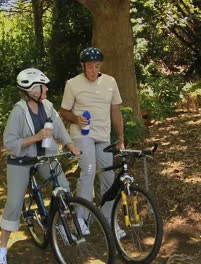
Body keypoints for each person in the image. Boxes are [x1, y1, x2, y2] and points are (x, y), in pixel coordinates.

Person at [0, 68, 81, 264]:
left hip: (45, 157)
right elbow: (9, 143)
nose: (47, 88)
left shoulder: (48, 106)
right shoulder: (18, 111)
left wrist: (70, 145)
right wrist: (35, 137)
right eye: (43, 86)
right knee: (14, 203)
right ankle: (2, 249)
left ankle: (56, 223)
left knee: (64, 189)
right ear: (33, 90)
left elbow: (59, 129)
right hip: (21, 160)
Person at [60, 47, 126, 236]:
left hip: (103, 135)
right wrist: (76, 119)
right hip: (82, 135)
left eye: (96, 66)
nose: (93, 70)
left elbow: (115, 111)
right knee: (88, 171)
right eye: (89, 66)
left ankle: (109, 220)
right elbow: (64, 112)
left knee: (108, 178)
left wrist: (120, 138)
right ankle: (80, 220)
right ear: (83, 66)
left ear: (100, 66)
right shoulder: (72, 84)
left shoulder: (110, 82)